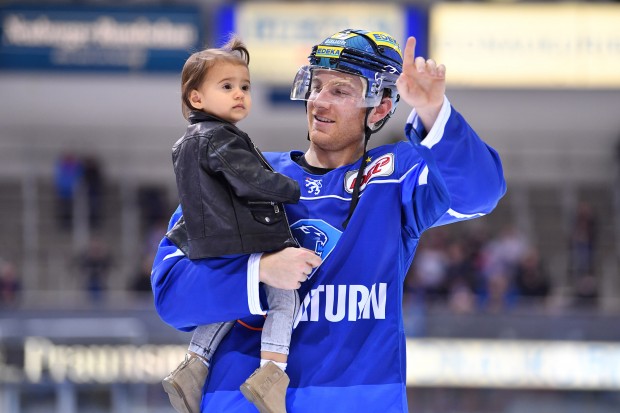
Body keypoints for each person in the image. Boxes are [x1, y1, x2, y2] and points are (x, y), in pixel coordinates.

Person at [152, 28, 506, 412]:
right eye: (316, 85)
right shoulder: (243, 170)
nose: (319, 101)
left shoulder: (393, 176)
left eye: (339, 91)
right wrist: (260, 271)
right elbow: (172, 293)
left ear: (381, 108)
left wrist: (433, 111)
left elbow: (481, 193)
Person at [160, 36, 318, 413]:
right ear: (196, 98)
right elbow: (248, 179)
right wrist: (291, 188)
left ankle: (195, 364)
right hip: (242, 237)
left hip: (214, 240)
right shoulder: (219, 139)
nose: (239, 95)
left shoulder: (189, 142)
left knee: (230, 302)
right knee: (283, 299)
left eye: (244, 87)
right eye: (227, 86)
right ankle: (271, 376)